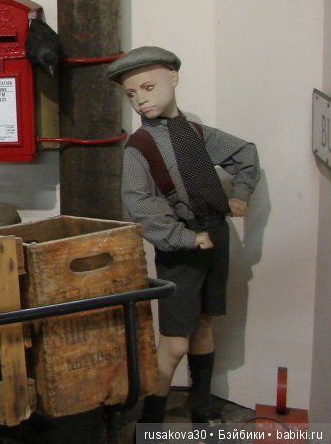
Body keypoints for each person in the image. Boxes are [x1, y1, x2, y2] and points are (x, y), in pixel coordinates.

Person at [105, 46, 260, 427]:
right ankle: (152, 420)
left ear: (172, 79)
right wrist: (184, 238)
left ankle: (201, 407)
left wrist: (240, 195)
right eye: (132, 94)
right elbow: (140, 203)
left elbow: (245, 153)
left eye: (148, 87)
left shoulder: (195, 133)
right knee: (175, 341)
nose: (140, 99)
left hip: (215, 236)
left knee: (205, 324)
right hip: (182, 247)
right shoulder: (140, 147)